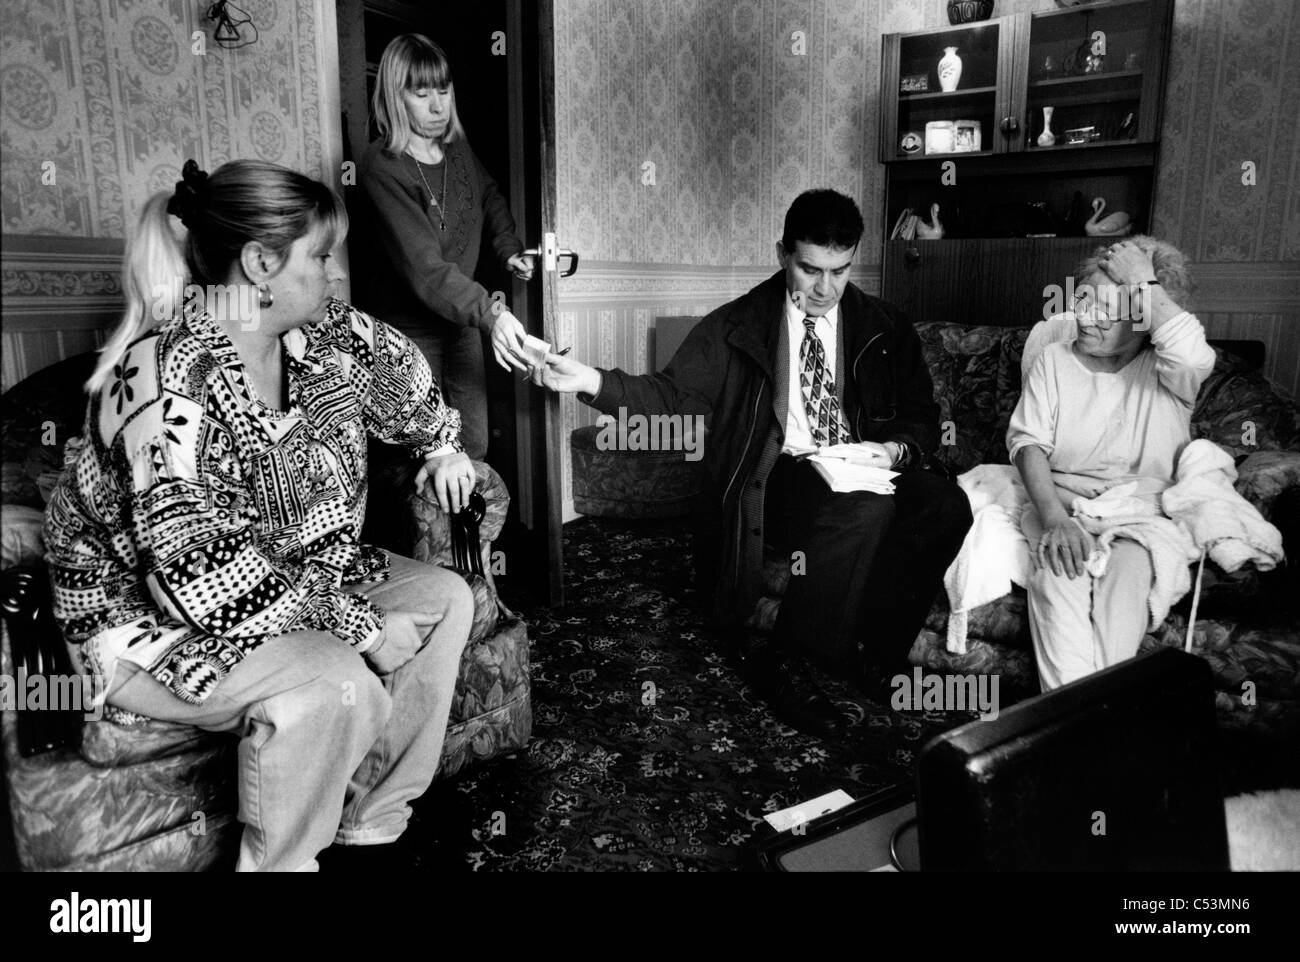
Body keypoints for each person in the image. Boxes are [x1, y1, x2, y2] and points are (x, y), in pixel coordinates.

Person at [42, 159, 481, 872]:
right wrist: (361, 627)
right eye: (320, 257)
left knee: (444, 599)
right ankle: (281, 864)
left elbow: (401, 374)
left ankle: (370, 823)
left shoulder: (323, 335)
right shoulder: (164, 380)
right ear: (259, 264)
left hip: (296, 574)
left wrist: (442, 446)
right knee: (330, 677)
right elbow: (199, 578)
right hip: (148, 621)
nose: (334, 274)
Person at [537, 189, 972, 734]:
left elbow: (920, 417)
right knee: (861, 508)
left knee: (945, 505)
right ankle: (791, 660)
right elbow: (673, 399)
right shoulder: (737, 325)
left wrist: (888, 450)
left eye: (839, 271)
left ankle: (871, 653)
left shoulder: (884, 325)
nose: (825, 288)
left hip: (868, 465)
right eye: (810, 269)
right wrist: (592, 382)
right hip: (781, 474)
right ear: (781, 254)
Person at [1008, 237, 1217, 690]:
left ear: (1145, 318)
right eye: (1083, 300)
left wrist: (1143, 276)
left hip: (1141, 514)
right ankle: (1085, 733)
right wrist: (1054, 518)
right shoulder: (1054, 360)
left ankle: (1082, 727)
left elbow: (1191, 349)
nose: (1085, 317)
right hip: (1062, 506)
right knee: (1057, 579)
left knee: (1125, 580)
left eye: (1107, 310)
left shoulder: (1172, 372)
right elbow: (1028, 444)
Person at [356, 33, 534, 461]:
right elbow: (424, 269)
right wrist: (491, 312)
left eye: (443, 89)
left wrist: (507, 246)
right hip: (408, 332)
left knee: (473, 445)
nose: (438, 105)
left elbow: (488, 195)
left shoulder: (457, 150)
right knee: (426, 456)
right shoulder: (382, 166)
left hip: (460, 325)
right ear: (396, 97)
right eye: (421, 93)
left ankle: (471, 531)